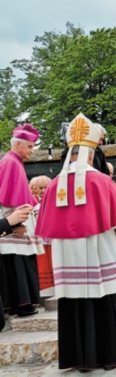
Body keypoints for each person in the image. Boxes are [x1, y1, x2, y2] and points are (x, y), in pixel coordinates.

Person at [36, 113, 116, 371]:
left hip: (65, 259)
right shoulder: (102, 181)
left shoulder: (52, 185)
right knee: (105, 294)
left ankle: (80, 358)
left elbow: (45, 231)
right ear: (91, 154)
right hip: (99, 253)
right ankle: (110, 355)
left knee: (73, 299)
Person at [0, 124, 44, 317]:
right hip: (14, 224)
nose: (31, 151)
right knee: (19, 265)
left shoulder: (13, 161)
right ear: (18, 144)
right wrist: (16, 223)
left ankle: (23, 303)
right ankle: (22, 304)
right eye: (29, 147)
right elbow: (7, 199)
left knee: (21, 263)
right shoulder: (10, 162)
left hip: (16, 221)